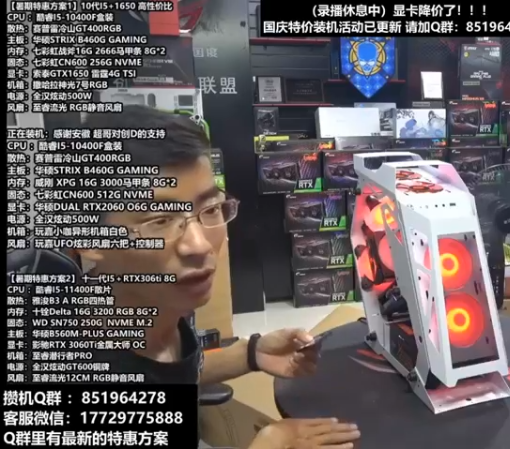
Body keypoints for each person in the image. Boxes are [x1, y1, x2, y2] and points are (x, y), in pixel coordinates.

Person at [76, 106, 360, 449]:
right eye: (160, 220)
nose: (199, 245)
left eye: (210, 209)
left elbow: (164, 372)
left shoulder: (159, 307)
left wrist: (250, 353)